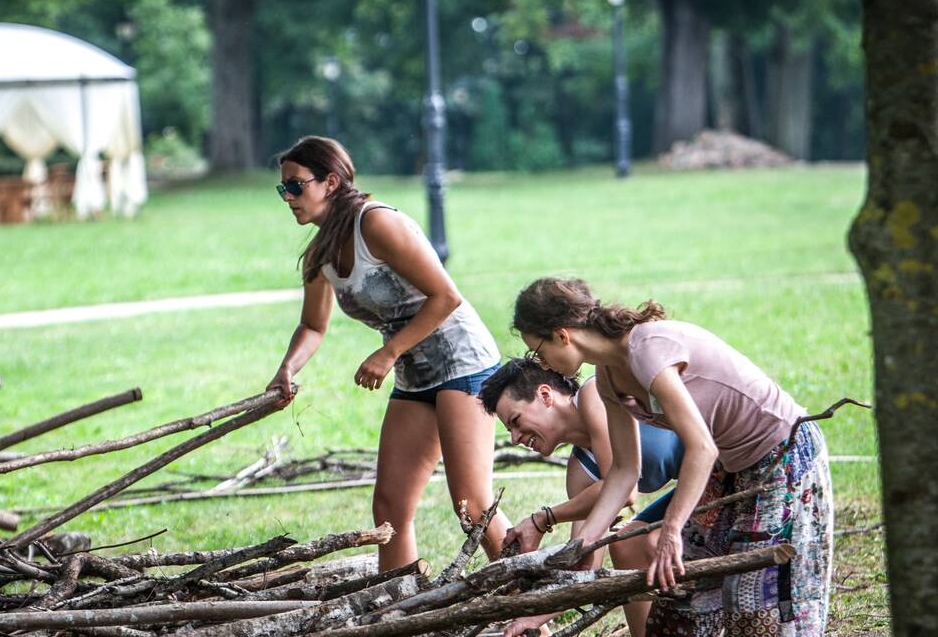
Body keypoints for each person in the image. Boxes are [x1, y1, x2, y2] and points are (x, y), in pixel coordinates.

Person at [510, 277, 833, 637]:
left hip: (780, 454)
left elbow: (702, 447)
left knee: (756, 606)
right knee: (679, 599)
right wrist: (586, 542)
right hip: (731, 467)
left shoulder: (646, 350)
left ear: (562, 335)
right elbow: (624, 471)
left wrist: (672, 530)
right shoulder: (607, 378)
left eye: (538, 351)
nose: (543, 363)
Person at [267, 136, 509, 570]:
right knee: (390, 507)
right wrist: (287, 368)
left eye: (296, 186)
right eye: (282, 188)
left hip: (463, 363)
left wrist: (389, 352)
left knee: (472, 504)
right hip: (415, 374)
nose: (287, 197)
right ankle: (402, 606)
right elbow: (312, 326)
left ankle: (533, 608)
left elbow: (446, 296)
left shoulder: (376, 224)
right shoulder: (319, 253)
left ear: (331, 182)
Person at [478, 358, 684, 637]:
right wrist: (533, 618)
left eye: (515, 421)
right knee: (627, 545)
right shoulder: (581, 472)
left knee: (649, 542)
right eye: (509, 430)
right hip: (697, 485)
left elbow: (625, 488)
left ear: (545, 395)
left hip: (726, 464)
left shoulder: (595, 394)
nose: (514, 438)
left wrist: (543, 519)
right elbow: (586, 567)